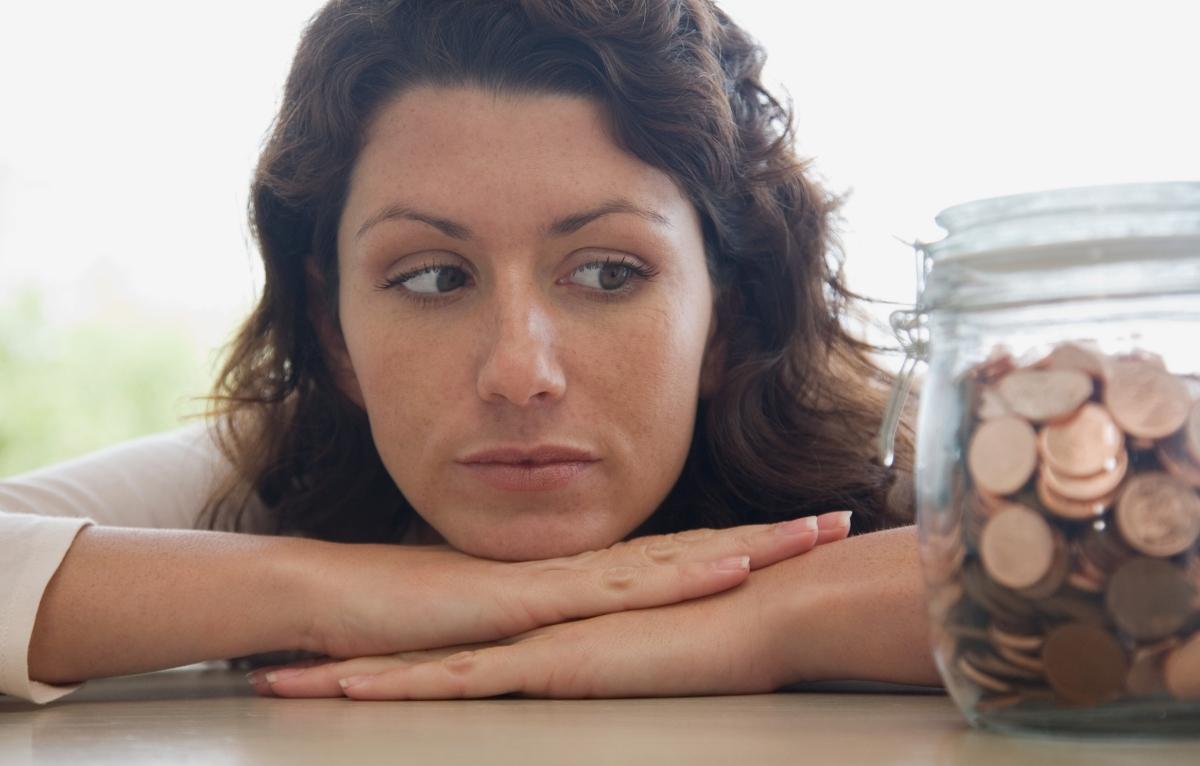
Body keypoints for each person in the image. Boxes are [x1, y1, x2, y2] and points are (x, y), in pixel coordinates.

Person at [0, 0, 932, 704]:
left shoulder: (889, 443)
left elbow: (1080, 554)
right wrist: (340, 588)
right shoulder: (278, 469)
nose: (519, 374)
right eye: (434, 279)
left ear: (726, 318)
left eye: (607, 274)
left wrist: (765, 617)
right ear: (335, 336)